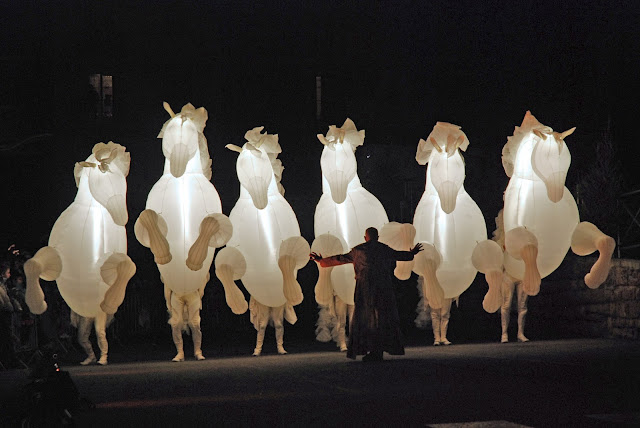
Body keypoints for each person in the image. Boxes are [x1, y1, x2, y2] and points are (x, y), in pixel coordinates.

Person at [310, 227, 423, 362]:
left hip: (365, 290)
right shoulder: (383, 249)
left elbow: (340, 259)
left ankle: (372, 350)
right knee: (381, 318)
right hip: (383, 289)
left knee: (366, 319)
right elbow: (400, 255)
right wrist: (412, 253)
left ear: (365, 238)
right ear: (378, 237)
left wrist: (321, 261)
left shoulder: (358, 250)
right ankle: (378, 350)